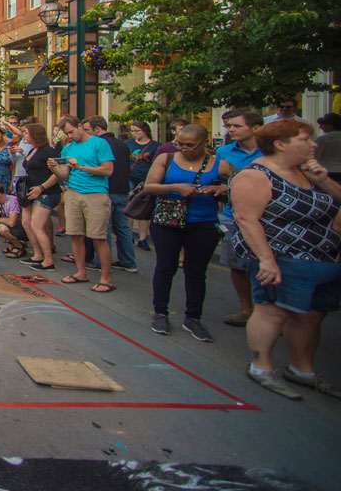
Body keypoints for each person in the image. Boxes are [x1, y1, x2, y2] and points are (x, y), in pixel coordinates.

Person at [230, 120, 341, 400]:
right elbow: (246, 219)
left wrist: (325, 180)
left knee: (311, 315)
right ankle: (261, 366)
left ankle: (301, 369)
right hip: (283, 257)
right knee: (273, 311)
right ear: (281, 144)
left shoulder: (309, 173)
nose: (313, 144)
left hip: (324, 257)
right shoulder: (255, 175)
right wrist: (266, 259)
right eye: (305, 139)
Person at [143, 123, 233, 342]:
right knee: (166, 267)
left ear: (204, 143)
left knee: (196, 271)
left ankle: (193, 317)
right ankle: (160, 312)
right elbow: (149, 186)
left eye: (190, 145)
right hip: (167, 220)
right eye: (180, 144)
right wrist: (176, 187)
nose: (184, 148)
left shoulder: (220, 164)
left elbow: (239, 185)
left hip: (203, 221)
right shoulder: (166, 159)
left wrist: (222, 189)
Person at [48, 115, 116, 293]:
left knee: (98, 237)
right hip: (73, 192)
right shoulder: (68, 148)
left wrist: (81, 167)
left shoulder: (99, 144)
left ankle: (106, 278)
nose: (69, 136)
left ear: (80, 126)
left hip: (95, 193)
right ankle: (80, 272)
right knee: (75, 234)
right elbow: (64, 175)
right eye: (66, 134)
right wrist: (54, 167)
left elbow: (108, 170)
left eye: (71, 132)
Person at [217, 109, 265, 327]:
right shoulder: (225, 151)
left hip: (266, 216)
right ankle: (247, 309)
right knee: (237, 265)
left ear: (255, 128)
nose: (231, 129)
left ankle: (269, 312)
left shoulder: (269, 151)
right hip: (232, 215)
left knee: (265, 264)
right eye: (229, 126)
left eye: (237, 126)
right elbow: (218, 180)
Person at [87, 116, 138, 273]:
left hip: (106, 189)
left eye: (88, 130)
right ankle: (128, 261)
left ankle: (101, 262)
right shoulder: (122, 145)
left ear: (97, 129)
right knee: (122, 228)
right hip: (122, 189)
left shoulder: (99, 144)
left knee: (103, 229)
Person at [20, 124, 61, 272]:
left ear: (35, 134)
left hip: (46, 192)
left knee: (36, 225)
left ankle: (48, 260)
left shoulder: (48, 152)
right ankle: (37, 254)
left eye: (27, 133)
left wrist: (42, 187)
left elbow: (57, 174)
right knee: (27, 223)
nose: (24, 135)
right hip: (30, 190)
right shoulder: (33, 149)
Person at [127, 121, 159, 250]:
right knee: (129, 206)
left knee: (143, 208)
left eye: (137, 131)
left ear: (145, 130)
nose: (134, 134)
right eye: (133, 131)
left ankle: (143, 238)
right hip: (130, 177)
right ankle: (128, 235)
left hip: (145, 179)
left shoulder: (155, 146)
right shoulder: (129, 144)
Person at [316, 113, 341, 183]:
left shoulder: (323, 139)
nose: (320, 127)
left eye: (322, 125)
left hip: (327, 171)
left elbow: (316, 156)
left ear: (330, 125)